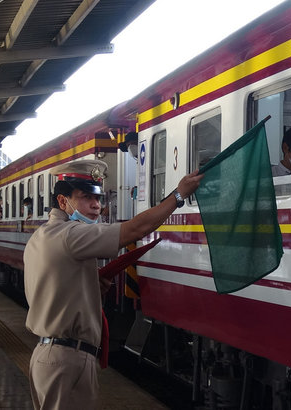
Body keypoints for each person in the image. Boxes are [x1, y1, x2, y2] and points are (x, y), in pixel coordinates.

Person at [24, 159, 202, 409]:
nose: (97, 206)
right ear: (63, 202)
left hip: (53, 355)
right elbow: (135, 230)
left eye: (98, 199)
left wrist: (89, 288)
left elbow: (54, 286)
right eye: (86, 197)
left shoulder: (41, 237)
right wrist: (178, 194)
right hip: (66, 358)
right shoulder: (69, 235)